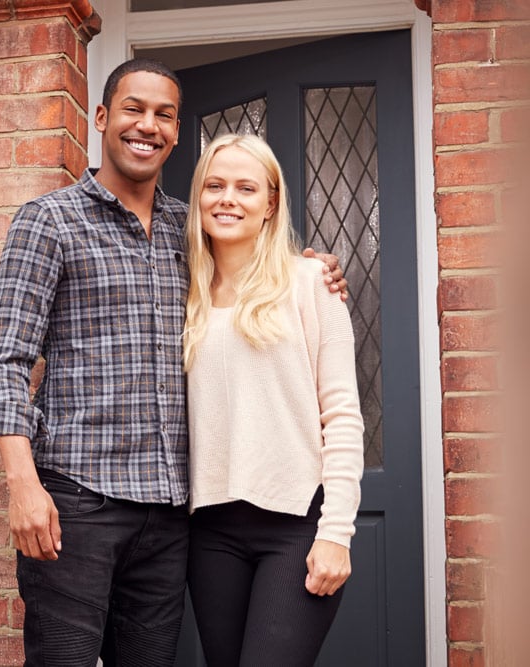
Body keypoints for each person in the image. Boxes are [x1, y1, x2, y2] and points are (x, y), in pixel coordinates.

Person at [0, 58, 346, 666]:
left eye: (164, 115)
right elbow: (6, 362)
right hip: (78, 503)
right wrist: (22, 486)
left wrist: (311, 272)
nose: (147, 126)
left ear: (176, 133)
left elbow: (254, 273)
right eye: (133, 109)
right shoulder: (50, 222)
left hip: (171, 517)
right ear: (101, 117)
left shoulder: (189, 230)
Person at [182, 133, 364, 666]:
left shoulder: (310, 282)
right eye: (214, 186)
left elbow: (343, 417)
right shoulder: (182, 289)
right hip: (209, 529)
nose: (227, 199)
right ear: (198, 198)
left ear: (271, 203)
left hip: (296, 524)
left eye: (245, 187)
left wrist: (336, 532)